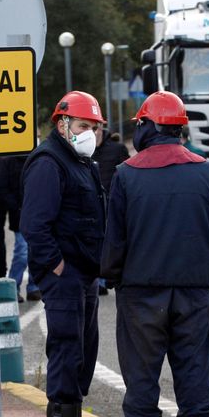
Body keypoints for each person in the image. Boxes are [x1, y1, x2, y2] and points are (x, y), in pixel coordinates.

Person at [101, 91, 209, 417]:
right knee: (194, 374)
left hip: (141, 295)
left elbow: (115, 240)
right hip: (193, 292)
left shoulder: (126, 175)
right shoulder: (207, 172)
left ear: (148, 125)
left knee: (141, 378)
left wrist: (112, 276)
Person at [20, 91, 110, 417]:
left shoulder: (79, 161)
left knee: (84, 351)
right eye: (83, 126)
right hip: (65, 275)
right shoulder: (49, 162)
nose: (91, 133)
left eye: (95, 127)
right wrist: (57, 266)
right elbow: (34, 224)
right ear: (62, 124)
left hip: (84, 273)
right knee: (66, 348)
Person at [92, 121, 130, 295]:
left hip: (112, 205)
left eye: (95, 128)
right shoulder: (83, 150)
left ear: (101, 129)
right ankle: (97, 278)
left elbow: (127, 175)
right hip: (91, 207)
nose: (92, 133)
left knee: (110, 242)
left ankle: (105, 278)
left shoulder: (117, 149)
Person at [0, 155, 34, 302]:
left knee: (36, 253)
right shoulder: (8, 161)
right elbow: (2, 189)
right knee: (22, 253)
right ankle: (13, 286)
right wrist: (17, 207)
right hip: (20, 217)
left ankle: (34, 288)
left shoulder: (38, 157)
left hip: (37, 216)